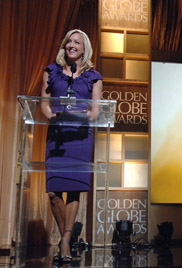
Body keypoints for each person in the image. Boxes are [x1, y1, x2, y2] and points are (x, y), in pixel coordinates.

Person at [40, 29, 102, 264]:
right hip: (58, 136)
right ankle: (69, 234)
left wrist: (85, 116)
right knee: (54, 193)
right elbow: (44, 105)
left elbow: (95, 111)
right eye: (69, 41)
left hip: (80, 138)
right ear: (64, 46)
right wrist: (53, 116)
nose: (71, 45)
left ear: (84, 49)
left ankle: (64, 240)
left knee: (73, 190)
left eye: (77, 42)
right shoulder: (51, 72)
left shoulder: (93, 76)